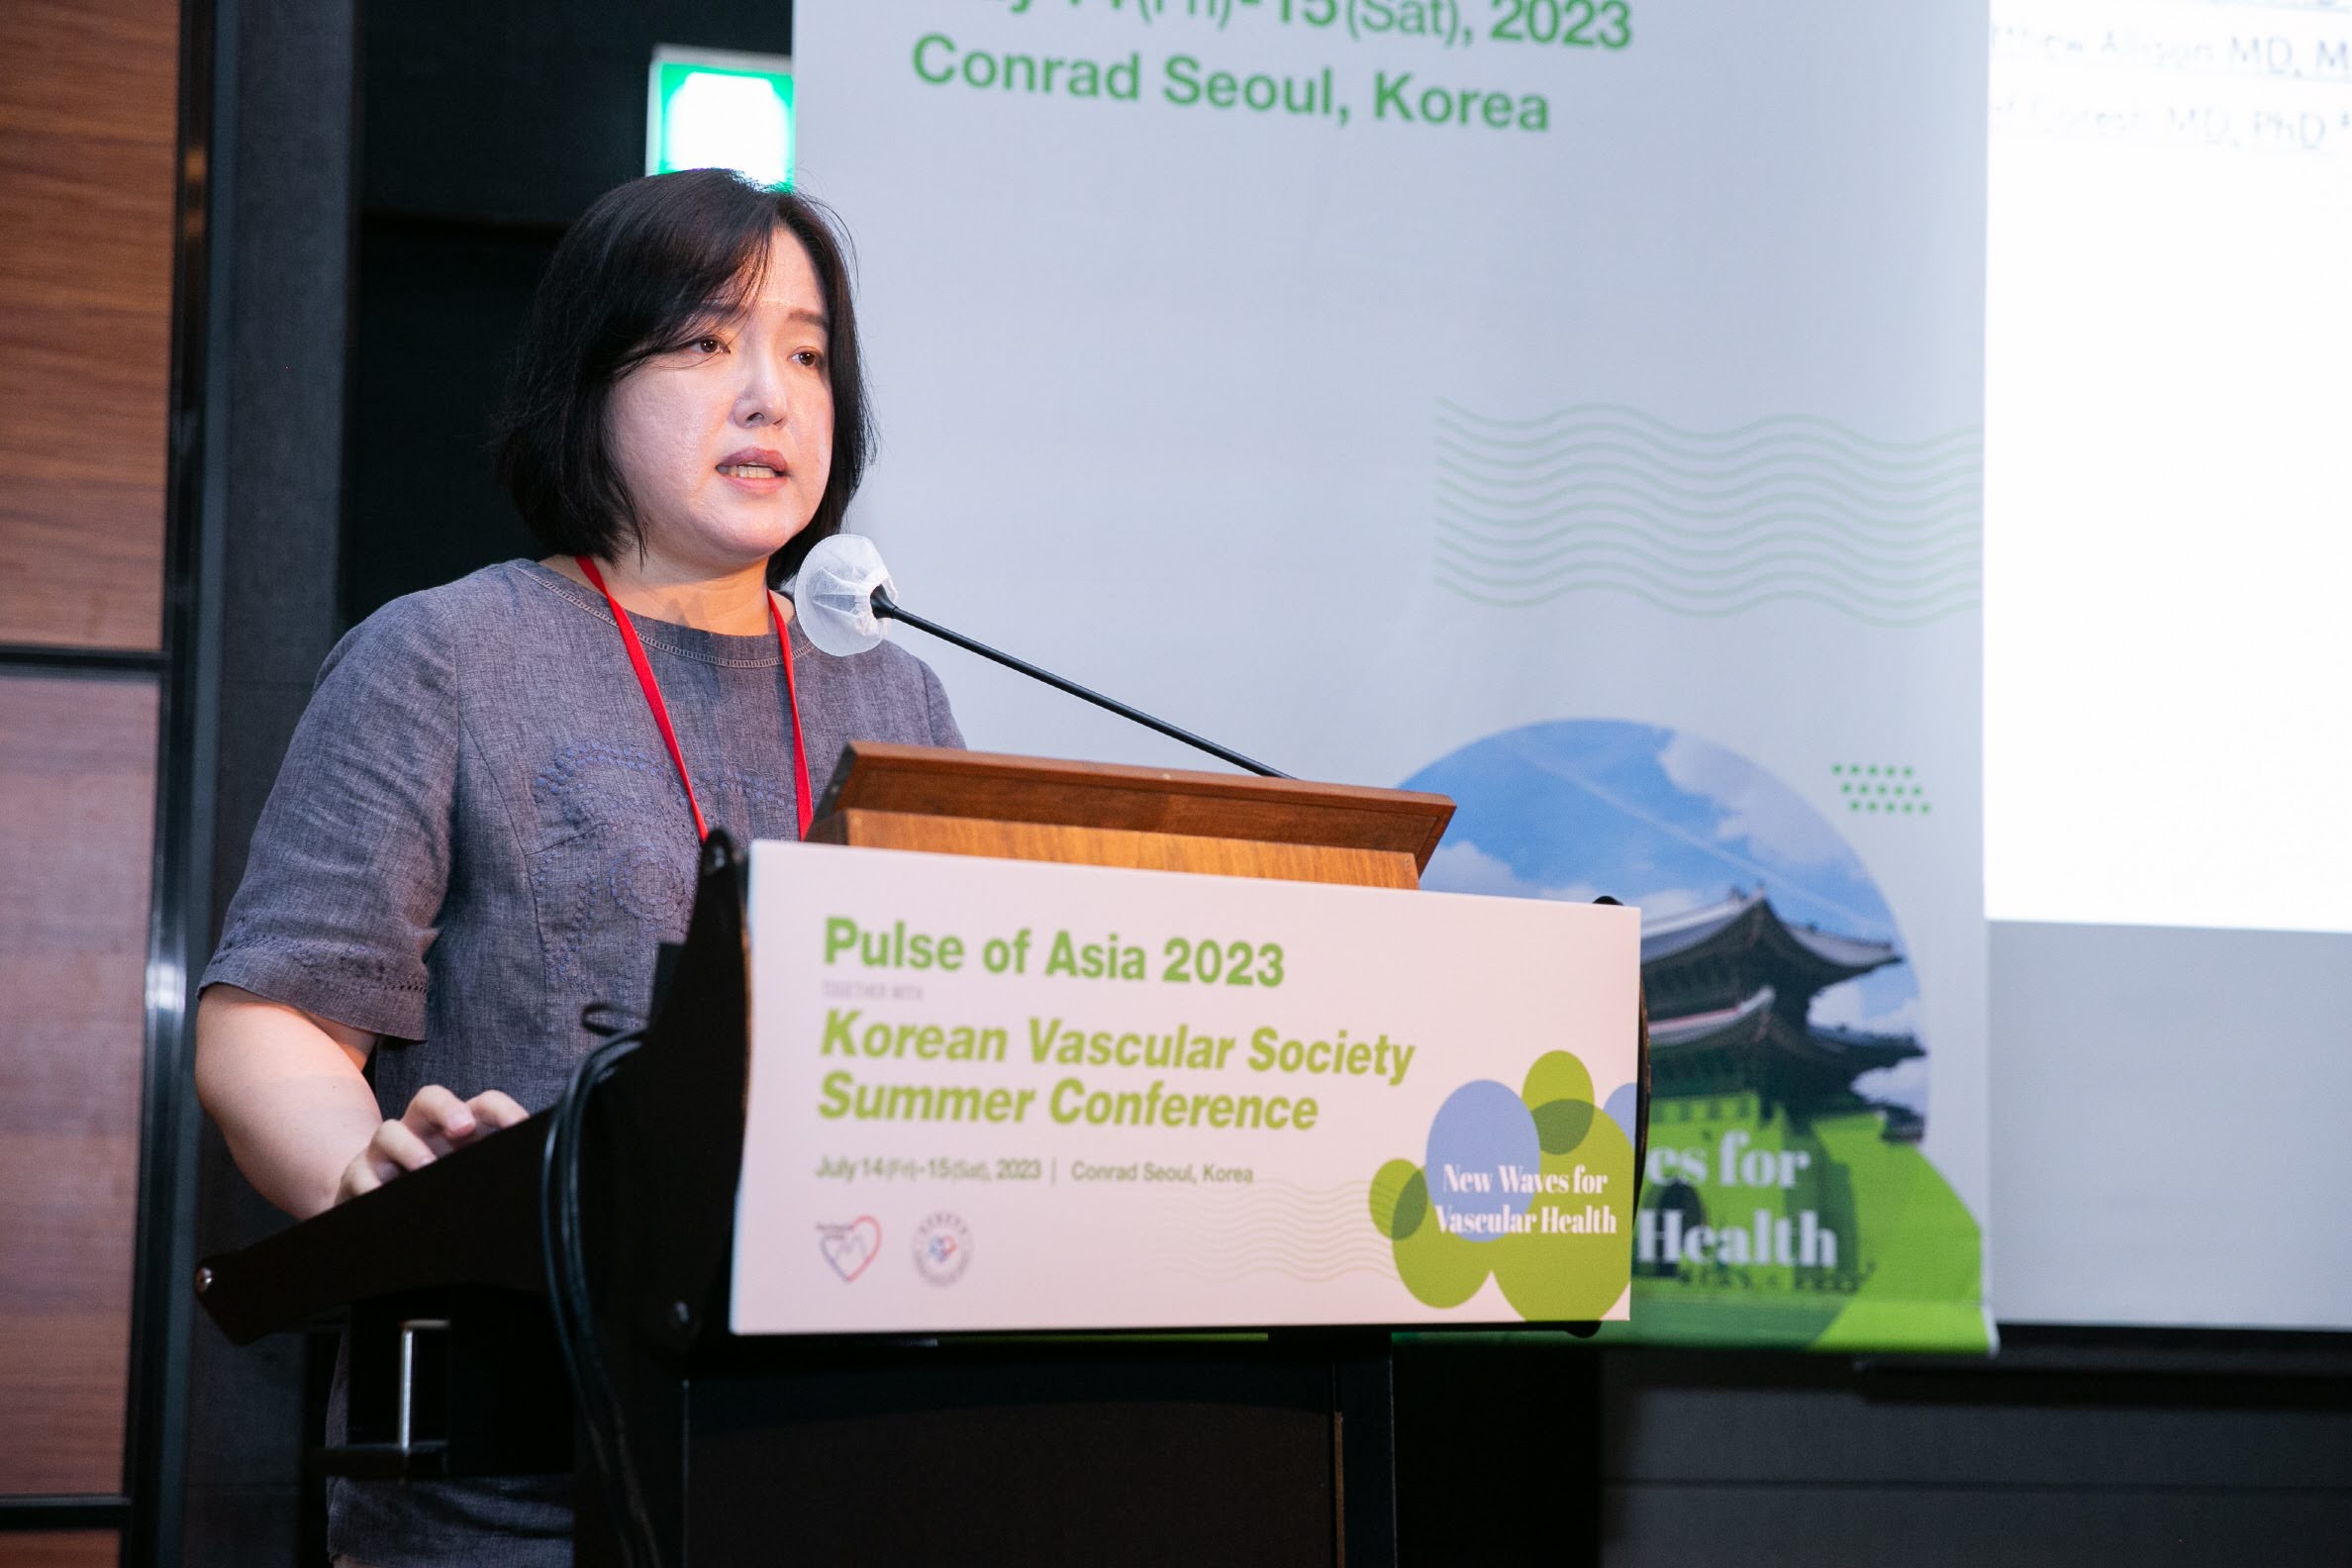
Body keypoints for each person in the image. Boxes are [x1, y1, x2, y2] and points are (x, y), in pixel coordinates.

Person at [193, 168, 962, 1567]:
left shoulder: (896, 696)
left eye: (806, 355)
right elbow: (273, 1023)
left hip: (847, 1447)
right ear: (589, 382)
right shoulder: (445, 657)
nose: (769, 396)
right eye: (706, 342)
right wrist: (374, 1172)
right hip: (514, 1483)